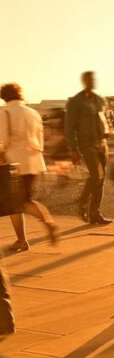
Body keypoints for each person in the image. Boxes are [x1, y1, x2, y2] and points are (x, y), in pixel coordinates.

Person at [0, 83, 59, 251]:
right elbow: (40, 139)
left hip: (12, 164)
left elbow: (2, 139)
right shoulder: (33, 113)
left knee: (22, 201)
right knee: (15, 203)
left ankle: (48, 223)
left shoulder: (4, 113)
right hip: (33, 161)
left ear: (4, 97)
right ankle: (21, 240)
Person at [65, 71, 112, 225]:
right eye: (89, 79)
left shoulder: (100, 100)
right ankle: (83, 201)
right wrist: (73, 149)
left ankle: (95, 213)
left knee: (101, 179)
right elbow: (69, 127)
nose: (93, 81)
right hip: (87, 144)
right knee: (96, 176)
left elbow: (106, 118)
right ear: (84, 81)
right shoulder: (75, 102)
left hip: (102, 143)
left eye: (94, 79)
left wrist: (110, 128)